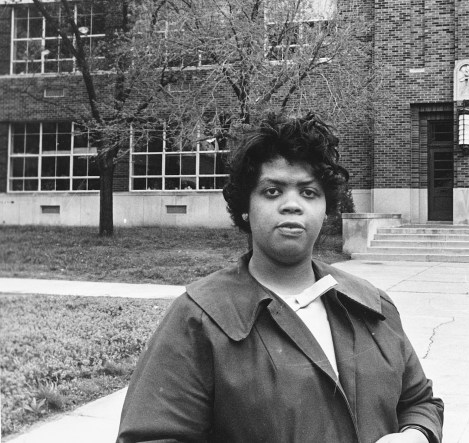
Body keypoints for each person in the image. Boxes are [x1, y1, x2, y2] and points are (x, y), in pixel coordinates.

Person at [117, 113, 444, 443]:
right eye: (272, 191)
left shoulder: (372, 305)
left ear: (326, 207)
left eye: (309, 192)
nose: (292, 205)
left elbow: (419, 403)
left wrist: (415, 436)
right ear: (246, 206)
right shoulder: (199, 318)